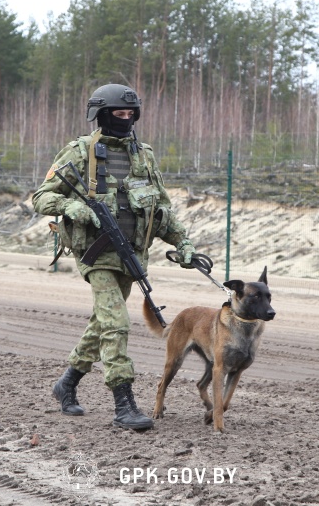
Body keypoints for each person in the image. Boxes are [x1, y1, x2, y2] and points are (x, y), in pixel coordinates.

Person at [32, 83, 196, 430]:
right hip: (97, 254)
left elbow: (161, 206)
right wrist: (72, 205)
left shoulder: (144, 154)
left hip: (132, 252)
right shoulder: (80, 152)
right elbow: (41, 197)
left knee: (103, 323)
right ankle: (124, 404)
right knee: (117, 325)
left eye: (130, 114)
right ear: (102, 115)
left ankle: (67, 384)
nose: (125, 119)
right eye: (118, 114)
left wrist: (182, 243)